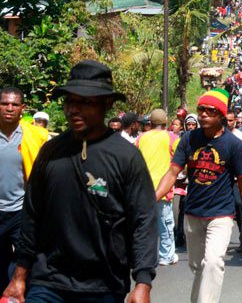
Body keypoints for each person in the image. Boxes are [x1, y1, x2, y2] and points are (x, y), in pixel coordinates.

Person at [2, 60, 158, 303]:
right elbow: (32, 215)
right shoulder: (51, 152)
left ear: (106, 104)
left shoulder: (126, 157)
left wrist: (143, 281)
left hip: (104, 285)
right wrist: (19, 275)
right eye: (70, 101)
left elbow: (144, 220)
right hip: (48, 281)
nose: (74, 109)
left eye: (85, 102)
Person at [155, 89, 242, 303]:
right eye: (201, 110)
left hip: (221, 214)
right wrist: (151, 198)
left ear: (221, 115)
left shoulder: (234, 145)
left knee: (213, 263)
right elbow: (173, 172)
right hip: (192, 213)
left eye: (210, 111)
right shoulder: (189, 139)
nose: (203, 115)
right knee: (198, 267)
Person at [0, 88, 48, 291]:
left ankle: (17, 292)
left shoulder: (37, 136)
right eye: (4, 104)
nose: (9, 108)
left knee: (23, 260)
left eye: (14, 104)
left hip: (22, 210)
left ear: (22, 108)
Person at [135, 108, 180, 266]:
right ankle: (166, 255)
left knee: (144, 224)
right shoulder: (172, 138)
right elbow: (181, 159)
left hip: (142, 188)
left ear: (151, 122)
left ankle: (143, 254)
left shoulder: (141, 138)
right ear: (166, 121)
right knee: (165, 223)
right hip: (163, 187)